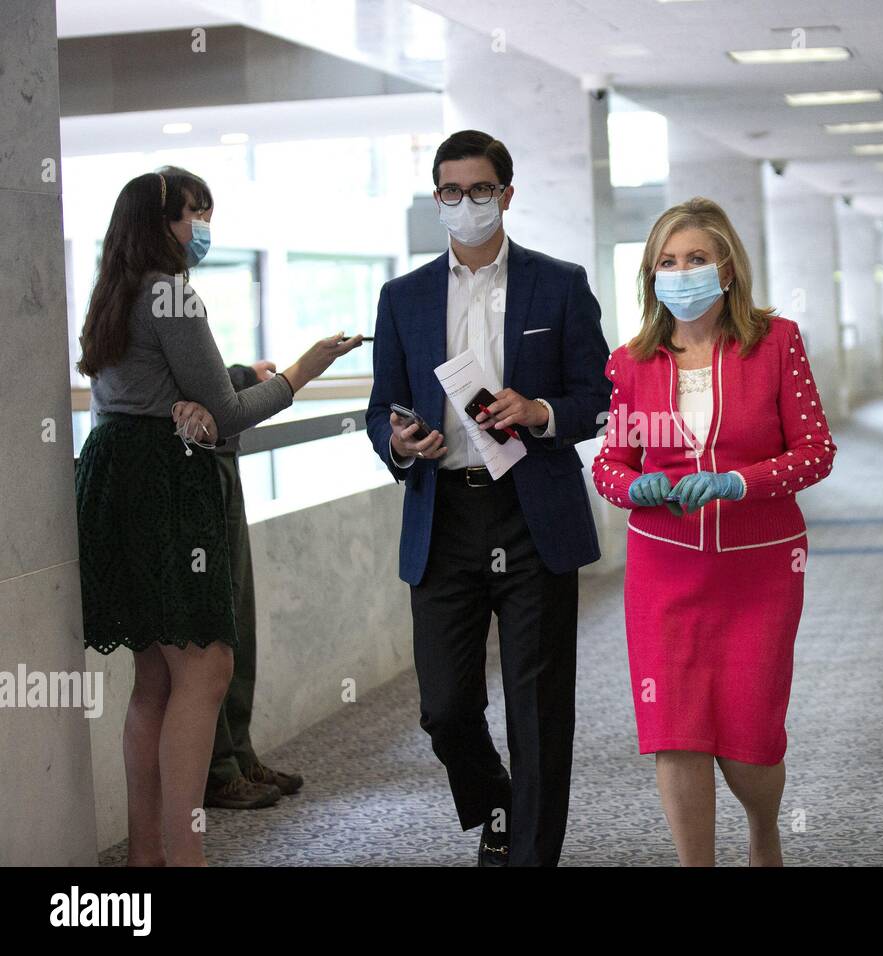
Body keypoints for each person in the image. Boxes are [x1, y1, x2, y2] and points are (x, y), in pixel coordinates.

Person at [75, 166, 361, 866]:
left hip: (114, 480)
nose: (202, 228)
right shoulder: (172, 292)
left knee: (154, 677)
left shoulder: (113, 290)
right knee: (206, 669)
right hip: (169, 486)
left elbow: (160, 392)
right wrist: (303, 370)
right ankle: (188, 857)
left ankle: (149, 857)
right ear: (161, 221)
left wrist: (223, 386)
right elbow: (228, 420)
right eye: (193, 214)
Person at [365, 130, 611, 867]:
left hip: (532, 508)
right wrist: (398, 440)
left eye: (479, 190)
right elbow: (383, 408)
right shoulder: (402, 297)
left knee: (537, 705)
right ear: (435, 197)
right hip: (444, 512)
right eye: (450, 191)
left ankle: (531, 854)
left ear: (506, 193)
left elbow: (599, 399)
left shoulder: (558, 283)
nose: (465, 204)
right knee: (445, 707)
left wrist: (539, 411)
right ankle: (496, 800)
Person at [591, 197, 836, 866]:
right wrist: (629, 486)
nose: (681, 272)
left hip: (760, 567)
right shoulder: (631, 361)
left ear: (727, 270)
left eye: (696, 259)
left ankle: (764, 830)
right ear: (650, 277)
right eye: (666, 262)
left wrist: (740, 481)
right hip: (664, 571)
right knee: (676, 732)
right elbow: (610, 463)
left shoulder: (776, 342)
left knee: (749, 739)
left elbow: (816, 452)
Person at [202, 361, 305, 810]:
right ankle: (220, 768)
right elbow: (202, 395)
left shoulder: (170, 297)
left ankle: (238, 755)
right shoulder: (151, 298)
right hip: (189, 470)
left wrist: (241, 375)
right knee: (213, 632)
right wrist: (250, 380)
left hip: (218, 455)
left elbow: (206, 384)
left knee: (238, 619)